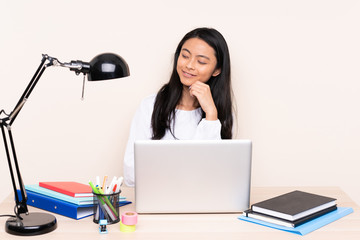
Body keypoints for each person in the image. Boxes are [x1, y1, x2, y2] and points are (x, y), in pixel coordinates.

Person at [123, 27, 234, 187]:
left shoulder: (217, 114)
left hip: (201, 200)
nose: (189, 65)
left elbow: (214, 176)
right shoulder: (150, 106)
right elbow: (131, 173)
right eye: (185, 56)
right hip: (157, 197)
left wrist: (210, 114)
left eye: (201, 61)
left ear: (217, 70)